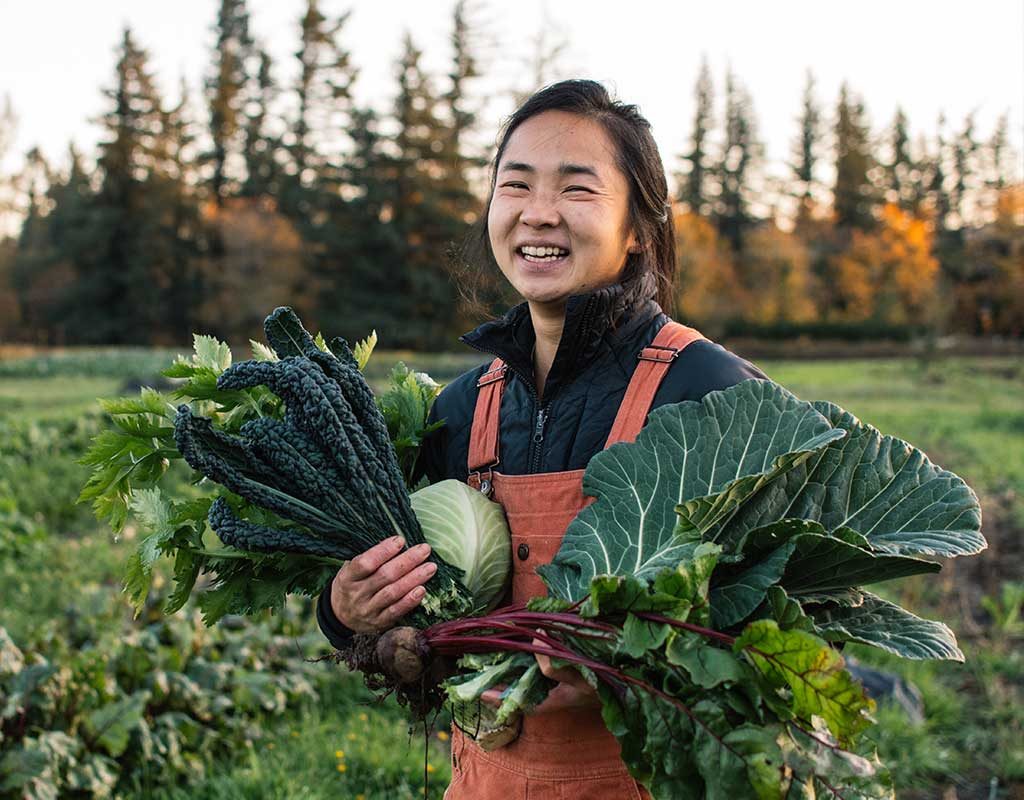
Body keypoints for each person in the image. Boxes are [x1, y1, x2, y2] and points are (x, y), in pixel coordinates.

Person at [317, 79, 769, 799]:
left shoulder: (713, 395)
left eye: (578, 190)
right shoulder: (460, 409)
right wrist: (347, 613)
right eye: (515, 184)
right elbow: (406, 606)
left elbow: (781, 621)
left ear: (637, 229)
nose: (538, 213)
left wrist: (652, 645)